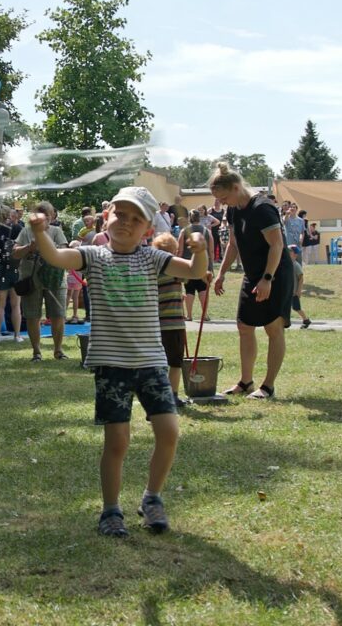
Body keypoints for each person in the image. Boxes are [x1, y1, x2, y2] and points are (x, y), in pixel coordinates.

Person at [29, 186, 208, 537]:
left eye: (135, 218)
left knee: (169, 432)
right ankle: (110, 510)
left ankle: (152, 498)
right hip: (112, 364)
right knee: (118, 441)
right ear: (106, 216)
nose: (125, 223)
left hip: (152, 361)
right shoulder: (93, 255)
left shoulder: (152, 258)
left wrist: (201, 251)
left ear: (148, 229)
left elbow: (193, 271)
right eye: (120, 215)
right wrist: (38, 232)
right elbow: (56, 258)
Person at [211, 162, 294, 400]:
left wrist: (267, 279)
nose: (223, 203)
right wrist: (221, 273)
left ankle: (268, 386)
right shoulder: (235, 209)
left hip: (276, 273)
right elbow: (233, 244)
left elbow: (276, 245)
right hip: (253, 274)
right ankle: (246, 382)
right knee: (244, 326)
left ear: (236, 187)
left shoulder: (263, 208)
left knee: (273, 327)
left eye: (225, 197)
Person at [13, 201, 69, 362]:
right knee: (32, 316)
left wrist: (46, 247)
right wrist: (28, 248)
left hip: (54, 278)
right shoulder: (26, 231)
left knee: (58, 315)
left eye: (47, 216)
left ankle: (58, 350)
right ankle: (36, 352)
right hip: (31, 279)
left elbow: (64, 251)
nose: (43, 219)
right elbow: (15, 253)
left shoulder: (56, 231)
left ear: (51, 217)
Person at [152, 232, 190, 408]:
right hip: (173, 324)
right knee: (175, 363)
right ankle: (172, 395)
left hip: (154, 325)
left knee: (158, 363)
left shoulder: (152, 273)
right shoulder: (174, 271)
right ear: (173, 252)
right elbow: (191, 274)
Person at [0, 205, 23, 343]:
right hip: (15, 268)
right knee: (16, 305)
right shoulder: (17, 229)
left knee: (0, 305)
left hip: (0, 269)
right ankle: (17, 335)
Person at [177, 209, 212, 321]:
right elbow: (211, 251)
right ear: (199, 218)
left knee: (189, 290)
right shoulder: (207, 231)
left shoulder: (184, 231)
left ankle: (189, 315)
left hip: (188, 265)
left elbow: (180, 250)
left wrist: (178, 263)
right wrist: (210, 266)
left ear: (189, 218)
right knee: (203, 289)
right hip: (203, 265)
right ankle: (205, 315)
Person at [288, 245, 311, 328]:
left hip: (294, 292)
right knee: (286, 306)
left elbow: (301, 279)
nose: (287, 253)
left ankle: (306, 320)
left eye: (289, 251)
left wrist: (299, 291)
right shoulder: (288, 264)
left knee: (296, 308)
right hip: (289, 291)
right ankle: (285, 321)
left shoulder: (296, 265)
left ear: (295, 254)